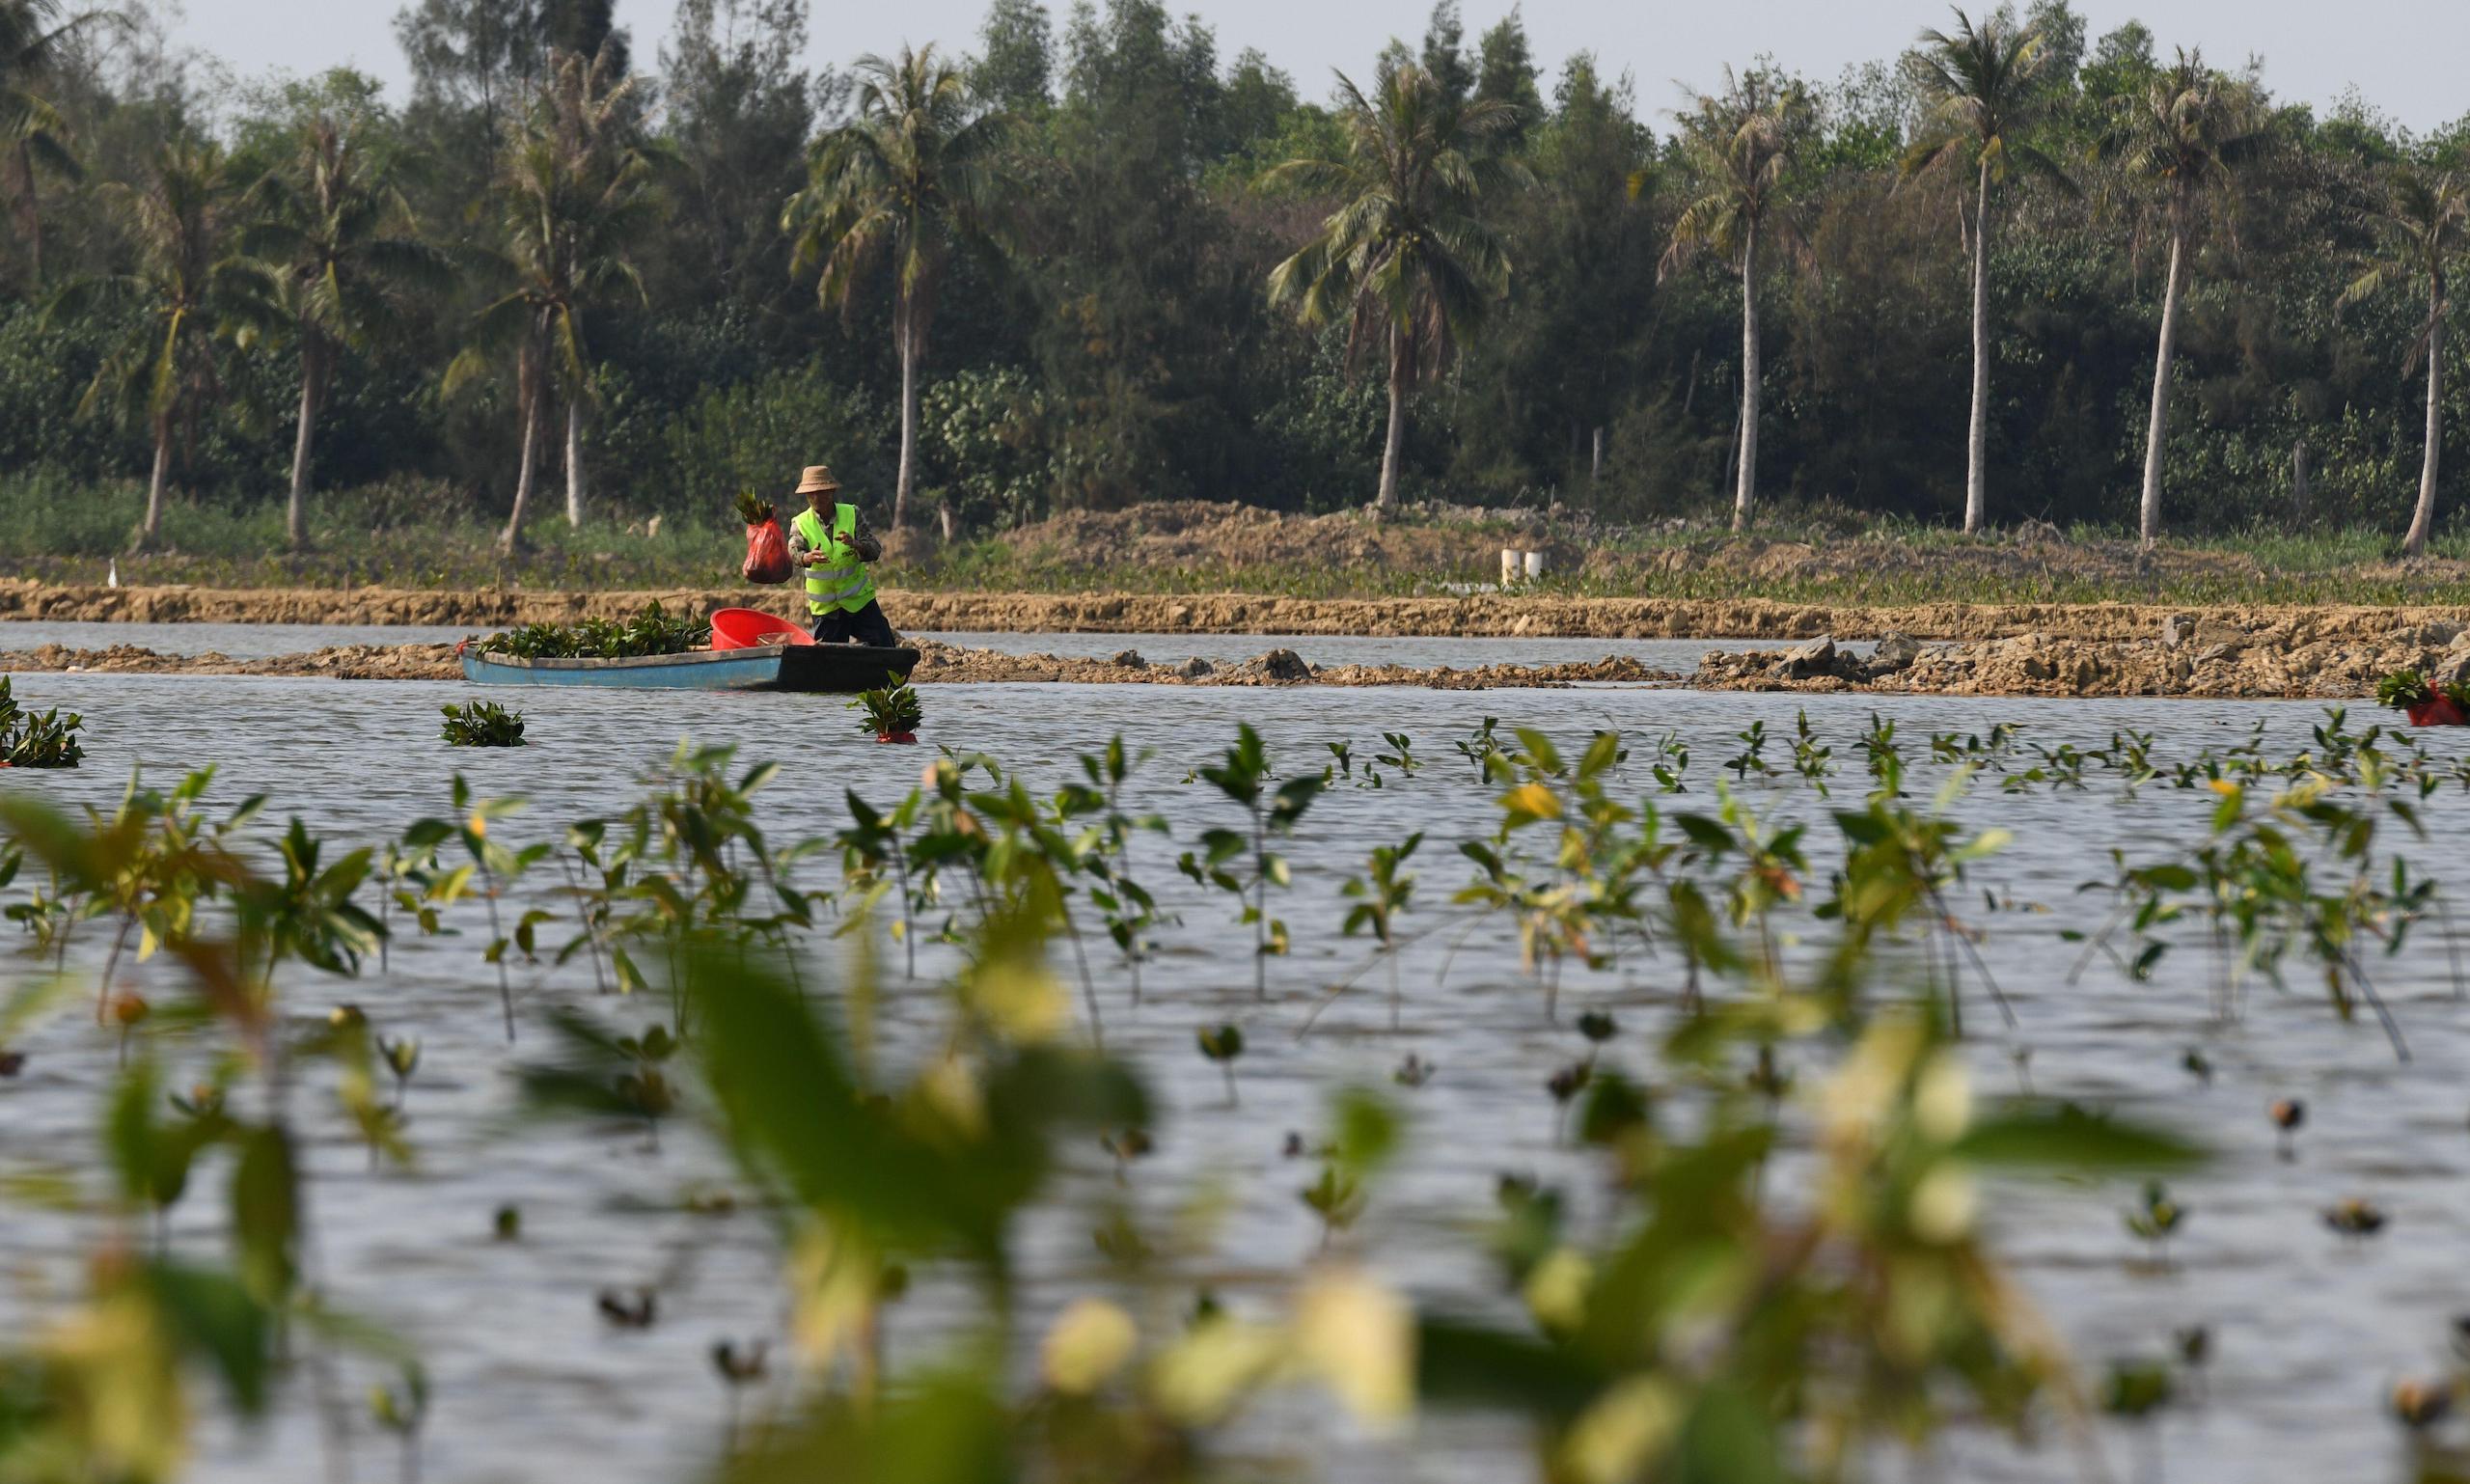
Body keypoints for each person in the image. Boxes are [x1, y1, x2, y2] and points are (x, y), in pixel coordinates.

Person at [784, 464, 897, 646]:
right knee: (829, 659)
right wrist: (806, 558)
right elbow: (793, 551)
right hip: (827, 609)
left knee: (884, 646)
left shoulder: (852, 513)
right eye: (810, 493)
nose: (815, 497)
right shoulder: (800, 523)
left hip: (859, 602)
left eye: (820, 492)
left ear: (831, 492)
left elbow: (874, 549)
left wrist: (856, 545)